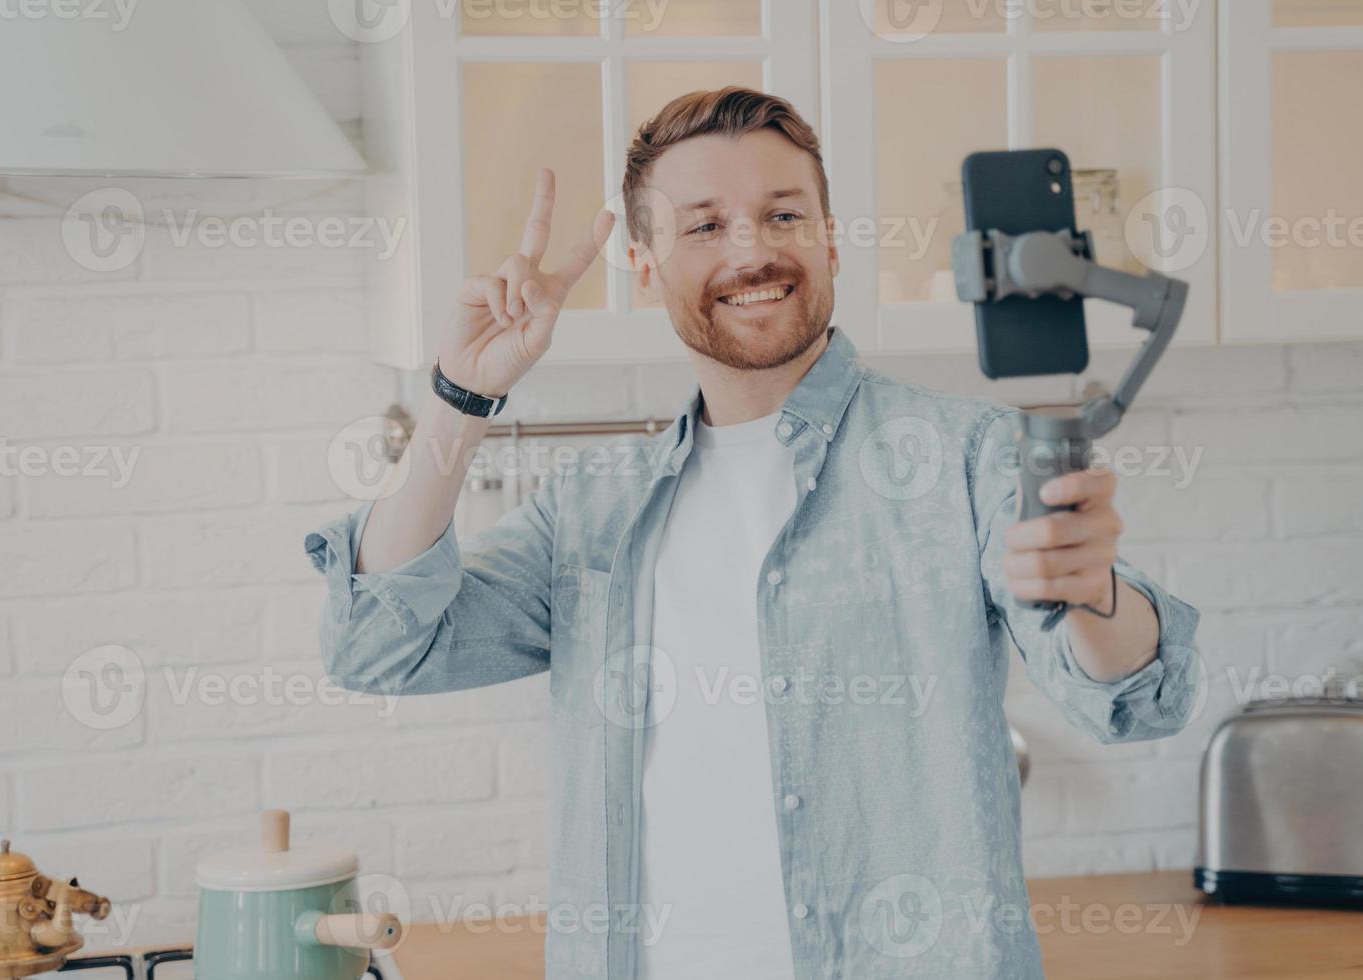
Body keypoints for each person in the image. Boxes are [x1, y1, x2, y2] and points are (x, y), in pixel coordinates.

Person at [305, 86, 1202, 980]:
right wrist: (462, 399)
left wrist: (1094, 589)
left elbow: (1135, 700)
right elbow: (376, 647)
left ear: (832, 239)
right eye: (704, 226)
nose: (754, 251)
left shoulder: (969, 462)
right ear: (645, 264)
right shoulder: (589, 513)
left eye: (783, 214)